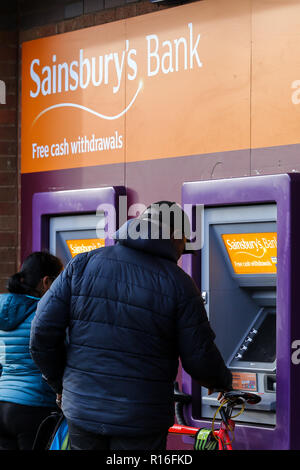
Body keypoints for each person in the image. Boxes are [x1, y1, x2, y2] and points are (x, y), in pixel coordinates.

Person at [29, 201, 232, 451]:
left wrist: (61, 384)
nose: (182, 251)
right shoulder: (179, 283)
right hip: (142, 418)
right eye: (184, 242)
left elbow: (41, 334)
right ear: (175, 237)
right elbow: (199, 354)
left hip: (84, 411)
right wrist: (222, 382)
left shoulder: (81, 265)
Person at [0, 251, 63, 450]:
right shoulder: (44, 313)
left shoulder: (2, 310)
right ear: (46, 282)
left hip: (2, 401)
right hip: (34, 405)